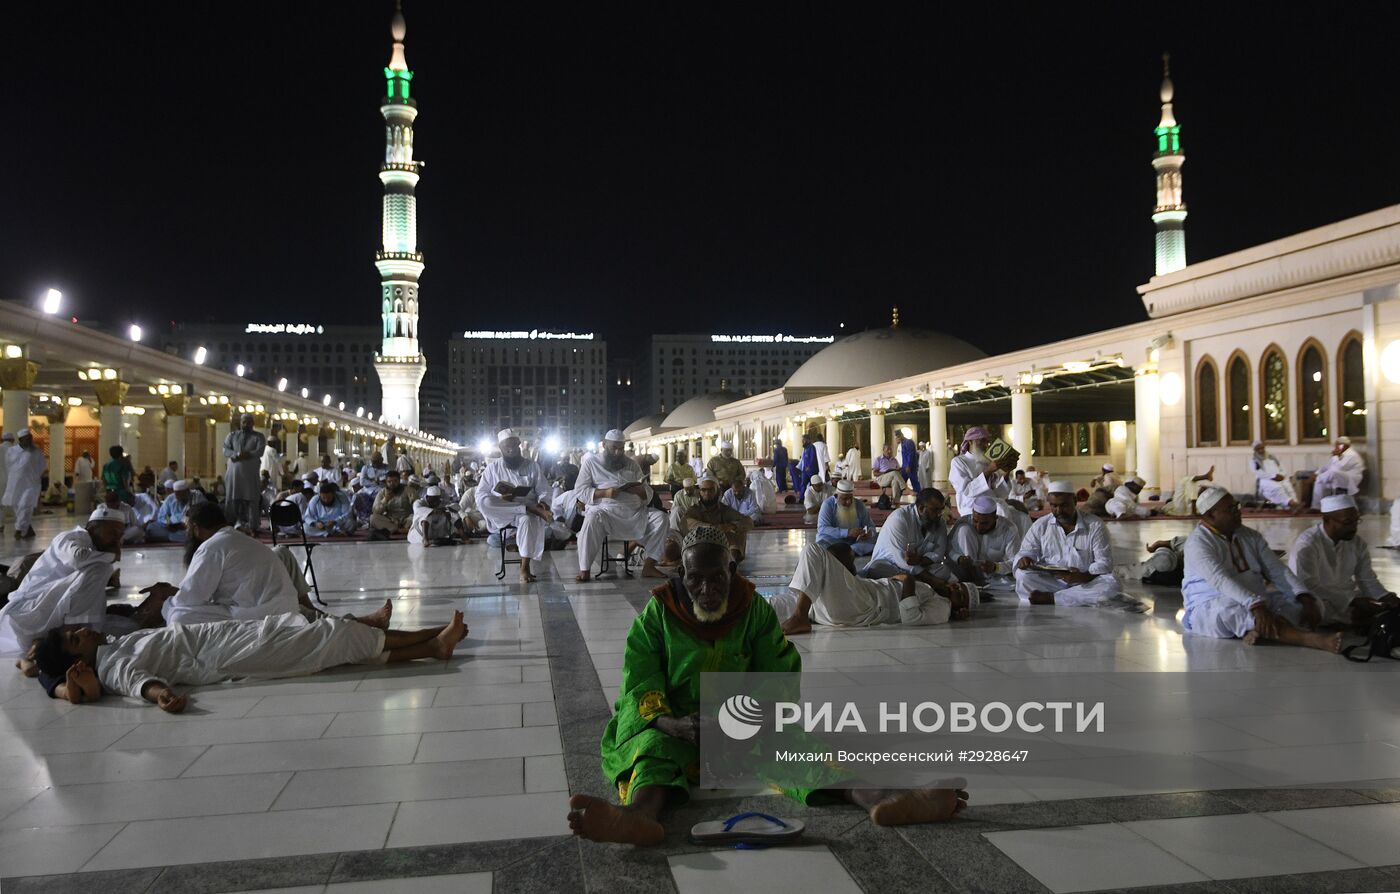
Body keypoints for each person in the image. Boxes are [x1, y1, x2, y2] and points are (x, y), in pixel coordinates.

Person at [566, 526, 968, 847]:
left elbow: (776, 674)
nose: (707, 590)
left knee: (792, 748)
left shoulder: (752, 610)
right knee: (652, 753)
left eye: (717, 578)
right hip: (673, 723)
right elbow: (640, 679)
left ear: (733, 572)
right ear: (681, 576)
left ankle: (883, 798)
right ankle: (640, 817)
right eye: (695, 579)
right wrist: (671, 723)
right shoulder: (658, 614)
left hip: (743, 721)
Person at [33, 610, 469, 709]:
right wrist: (162, 694)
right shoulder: (110, 664)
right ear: (78, 657)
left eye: (76, 630)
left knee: (335, 645)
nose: (83, 632)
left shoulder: (113, 643)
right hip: (232, 654)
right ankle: (433, 637)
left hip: (232, 635)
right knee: (334, 637)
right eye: (75, 639)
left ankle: (434, 645)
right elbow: (136, 681)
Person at [1181, 487, 1340, 651]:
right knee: (1231, 612)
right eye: (1230, 509)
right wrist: (1256, 606)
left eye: (1237, 506)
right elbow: (1220, 580)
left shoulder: (1250, 536)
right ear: (1210, 515)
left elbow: (1277, 570)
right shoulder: (1198, 543)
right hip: (1208, 605)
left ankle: (1259, 629)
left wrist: (1302, 595)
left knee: (1312, 603)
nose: (1237, 512)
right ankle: (1309, 639)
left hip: (1256, 600)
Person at [0, 507, 154, 661]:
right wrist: (112, 555)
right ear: (92, 529)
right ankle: (71, 637)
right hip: (31, 614)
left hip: (49, 613)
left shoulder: (94, 549)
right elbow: (77, 558)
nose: (117, 541)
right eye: (112, 534)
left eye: (120, 536)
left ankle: (69, 637)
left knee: (127, 629)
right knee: (101, 568)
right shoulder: (69, 537)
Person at [140, 502, 301, 626]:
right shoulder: (237, 538)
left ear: (196, 528)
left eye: (188, 529)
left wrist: (164, 606)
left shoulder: (211, 547)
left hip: (264, 615)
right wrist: (171, 592)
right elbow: (202, 590)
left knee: (179, 616)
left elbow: (189, 600)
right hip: (288, 609)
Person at [772, 541, 971, 635]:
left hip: (862, 606)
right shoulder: (933, 590)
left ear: (961, 609)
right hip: (844, 602)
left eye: (960, 595)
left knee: (812, 550)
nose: (954, 588)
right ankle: (744, 610)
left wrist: (909, 581)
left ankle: (800, 617)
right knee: (771, 605)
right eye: (958, 586)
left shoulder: (942, 608)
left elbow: (911, 618)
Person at [1289, 494, 1398, 628]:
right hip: (1316, 597)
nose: (1353, 527)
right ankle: (1353, 619)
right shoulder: (1307, 545)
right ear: (1326, 519)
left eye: (1356, 521)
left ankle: (1354, 619)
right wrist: (1352, 601)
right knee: (1310, 608)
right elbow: (1308, 586)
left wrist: (1385, 597)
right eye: (1347, 522)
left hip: (1348, 596)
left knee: (1381, 605)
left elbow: (1367, 579)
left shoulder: (1357, 543)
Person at [1013, 480, 1127, 606]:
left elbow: (1104, 562)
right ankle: (1074, 597)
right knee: (1023, 576)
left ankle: (1053, 598)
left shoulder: (1095, 525)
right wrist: (1025, 558)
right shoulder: (1041, 525)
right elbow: (1026, 551)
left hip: (1085, 581)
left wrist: (1083, 576)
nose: (1059, 510)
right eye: (1054, 506)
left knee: (1112, 584)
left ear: (1075, 501)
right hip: (1052, 581)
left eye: (1064, 505)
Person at [576, 431, 667, 582]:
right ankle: (584, 569)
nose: (618, 453)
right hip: (605, 511)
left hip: (634, 512)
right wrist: (604, 492)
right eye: (613, 448)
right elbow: (580, 491)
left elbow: (647, 491)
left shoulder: (632, 464)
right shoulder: (591, 463)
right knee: (590, 520)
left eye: (621, 448)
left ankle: (649, 565)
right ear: (604, 445)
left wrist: (642, 492)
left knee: (661, 518)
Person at [478, 429, 554, 583]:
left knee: (526, 520)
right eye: (507, 447)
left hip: (526, 513)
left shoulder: (532, 466)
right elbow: (480, 495)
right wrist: (499, 497)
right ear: (500, 448)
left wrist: (543, 502)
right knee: (485, 501)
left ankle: (524, 567)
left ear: (519, 444)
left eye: (514, 445)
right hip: (503, 513)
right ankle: (528, 510)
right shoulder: (492, 468)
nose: (511, 449)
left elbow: (544, 489)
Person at [863, 488, 954, 582]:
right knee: (876, 569)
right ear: (921, 508)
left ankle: (913, 583)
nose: (939, 514)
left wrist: (921, 560)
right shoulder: (899, 519)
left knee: (944, 571)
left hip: (920, 566)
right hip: (891, 565)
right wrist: (931, 580)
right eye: (935, 510)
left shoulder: (939, 522)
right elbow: (901, 560)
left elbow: (939, 554)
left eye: (941, 510)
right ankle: (917, 583)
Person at [950, 494, 1022, 597]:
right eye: (975, 521)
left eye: (984, 523)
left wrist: (996, 567)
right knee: (964, 530)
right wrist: (958, 558)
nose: (978, 527)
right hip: (963, 572)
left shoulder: (1008, 529)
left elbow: (1015, 561)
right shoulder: (963, 522)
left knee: (1020, 582)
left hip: (991, 576)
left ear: (995, 518)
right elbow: (948, 549)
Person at [683, 474, 754, 563]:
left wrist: (732, 526)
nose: (707, 493)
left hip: (721, 550)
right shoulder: (694, 510)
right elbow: (686, 523)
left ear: (718, 491)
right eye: (703, 490)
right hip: (698, 549)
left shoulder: (725, 510)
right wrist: (713, 527)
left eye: (711, 490)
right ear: (699, 492)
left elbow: (748, 522)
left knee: (738, 530)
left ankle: (732, 562)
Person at [948, 427, 1012, 516]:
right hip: (971, 509)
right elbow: (967, 491)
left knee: (1021, 516)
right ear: (970, 442)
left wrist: (1006, 473)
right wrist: (989, 471)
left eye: (987, 442)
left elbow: (1000, 494)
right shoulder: (958, 462)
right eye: (982, 441)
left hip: (994, 506)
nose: (986, 445)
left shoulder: (987, 462)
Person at [223, 414, 268, 533]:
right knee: (232, 499)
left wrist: (248, 454)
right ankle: (231, 525)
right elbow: (225, 449)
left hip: (250, 474)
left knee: (252, 499)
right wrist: (236, 455)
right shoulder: (232, 436)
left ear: (253, 423)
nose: (246, 425)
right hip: (234, 474)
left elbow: (260, 451)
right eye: (243, 422)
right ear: (240, 423)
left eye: (248, 422)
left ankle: (253, 527)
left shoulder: (259, 437)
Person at [2, 429, 45, 540]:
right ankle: (26, 530)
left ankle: (18, 529)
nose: (30, 441)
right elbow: (8, 465)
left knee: (25, 505)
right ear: (21, 440)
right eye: (27, 439)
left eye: (31, 439)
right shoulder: (12, 451)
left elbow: (42, 467)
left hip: (31, 484)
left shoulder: (37, 451)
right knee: (18, 506)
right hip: (15, 484)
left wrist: (34, 476)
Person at [816, 478, 875, 555]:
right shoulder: (827, 505)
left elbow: (871, 526)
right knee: (822, 544)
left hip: (854, 542)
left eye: (851, 498)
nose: (849, 502)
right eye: (844, 499)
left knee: (879, 538)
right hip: (833, 541)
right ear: (836, 495)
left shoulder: (859, 504)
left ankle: (848, 551)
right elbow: (822, 528)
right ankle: (849, 552)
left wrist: (869, 533)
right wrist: (847, 532)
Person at [1311, 436, 1365, 509]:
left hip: (1350, 479)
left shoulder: (1351, 455)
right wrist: (1317, 473)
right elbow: (1326, 467)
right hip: (1338, 478)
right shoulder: (1339, 455)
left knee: (1333, 472)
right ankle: (1317, 507)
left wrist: (1336, 456)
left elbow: (1338, 468)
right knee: (1320, 483)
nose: (1336, 447)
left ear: (1344, 446)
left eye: (1338, 445)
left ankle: (1318, 478)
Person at [368, 470, 414, 540]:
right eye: (389, 482)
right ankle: (399, 530)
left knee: (416, 517)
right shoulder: (382, 492)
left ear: (399, 481)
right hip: (391, 521)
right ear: (386, 482)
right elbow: (375, 511)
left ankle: (396, 530)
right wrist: (385, 500)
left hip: (406, 520)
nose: (392, 484)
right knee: (373, 518)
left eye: (395, 481)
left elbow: (417, 506)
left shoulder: (408, 490)